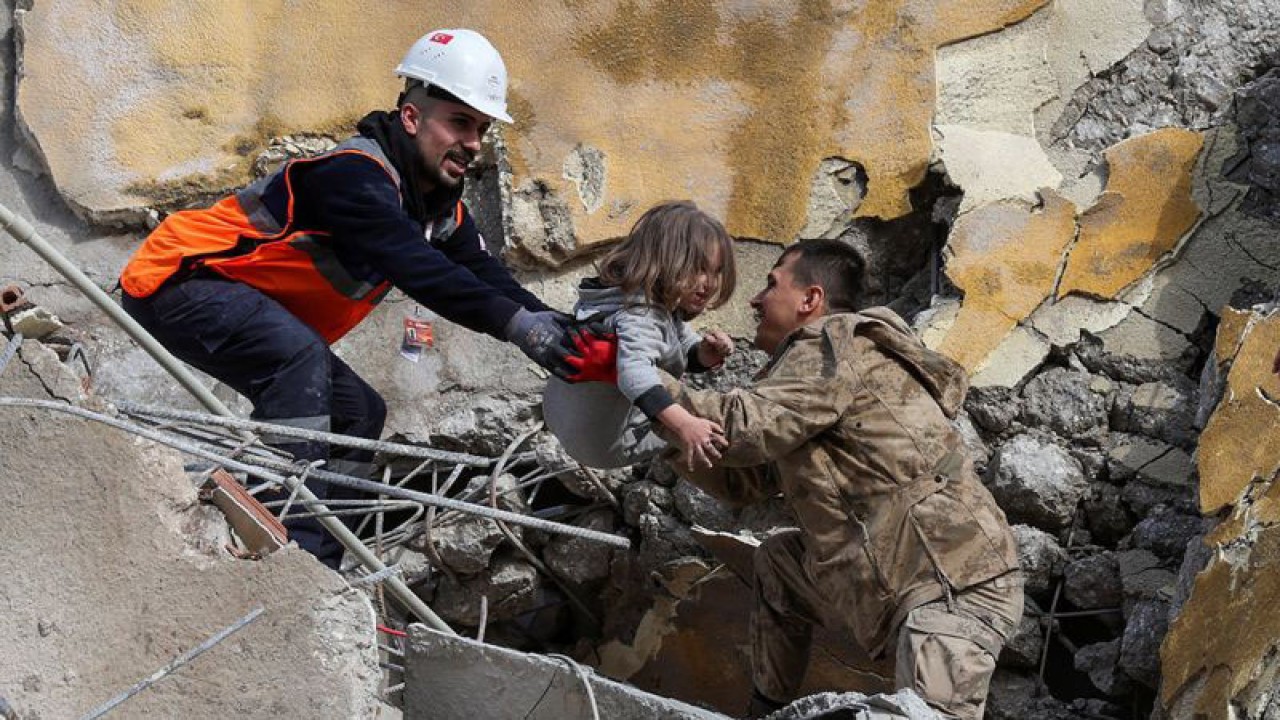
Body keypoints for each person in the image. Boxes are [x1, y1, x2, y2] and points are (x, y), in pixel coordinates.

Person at [118, 28, 610, 569]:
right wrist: (520, 328)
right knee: (298, 357)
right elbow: (414, 265)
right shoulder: (353, 174)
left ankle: (319, 565)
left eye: (483, 128)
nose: (474, 143)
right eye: (460, 122)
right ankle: (280, 549)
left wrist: (559, 328)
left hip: (242, 303)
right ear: (411, 118)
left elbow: (487, 277)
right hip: (176, 281)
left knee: (359, 412)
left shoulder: (439, 209)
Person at [654, 239, 1023, 719]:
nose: (755, 299)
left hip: (949, 582)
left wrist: (642, 384)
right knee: (781, 562)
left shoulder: (836, 344)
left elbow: (744, 425)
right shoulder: (804, 378)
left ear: (810, 300)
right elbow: (743, 481)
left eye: (771, 284)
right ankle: (766, 711)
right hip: (897, 579)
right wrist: (662, 428)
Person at [542, 201, 737, 469]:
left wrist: (703, 353)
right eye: (700, 268)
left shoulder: (623, 299)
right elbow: (635, 374)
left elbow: (678, 338)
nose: (709, 283)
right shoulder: (640, 315)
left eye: (716, 272)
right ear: (665, 261)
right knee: (723, 428)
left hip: (560, 416)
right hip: (608, 445)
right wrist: (685, 425)